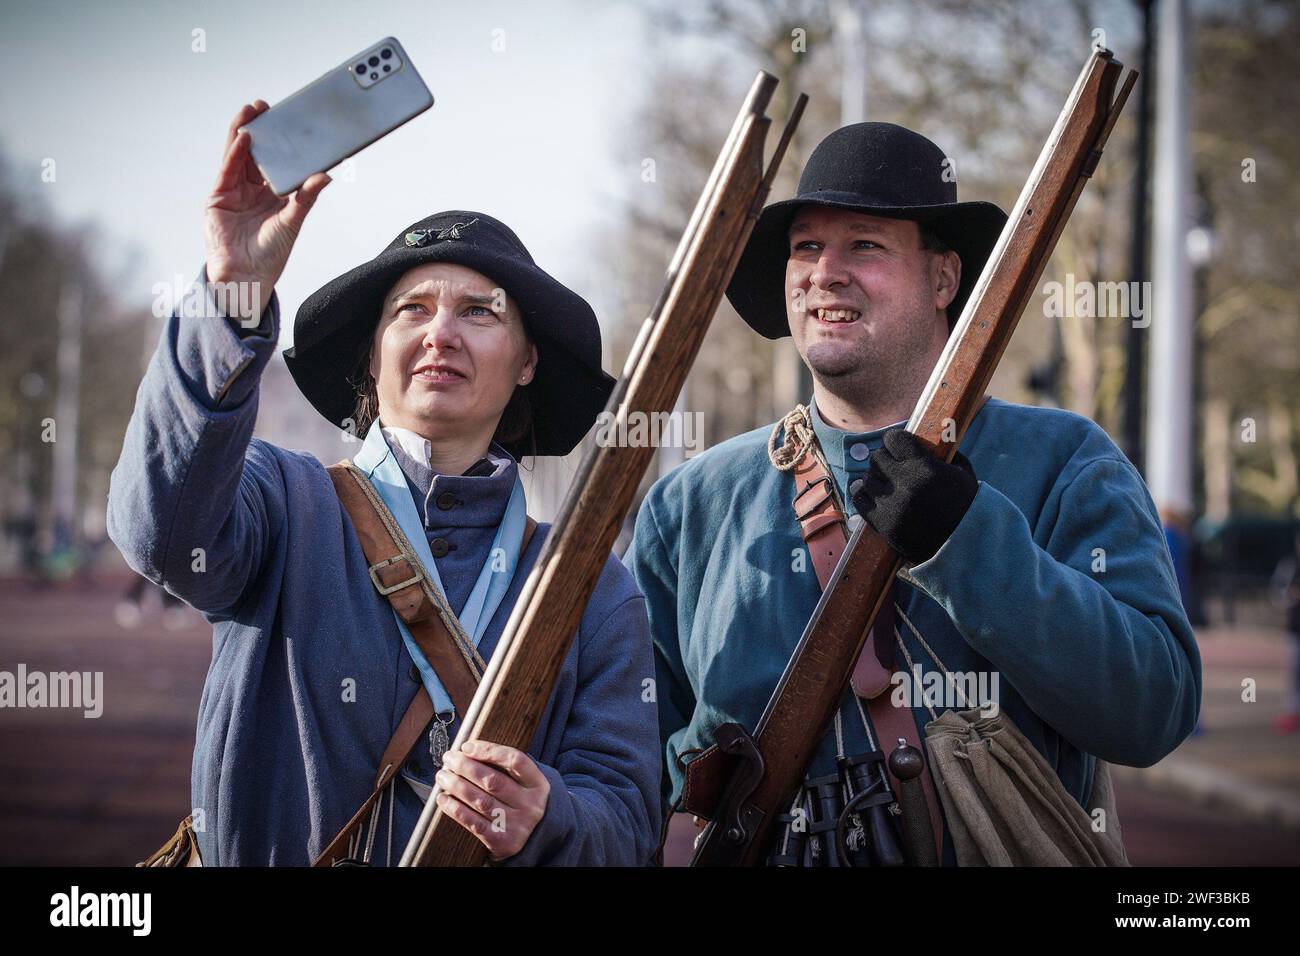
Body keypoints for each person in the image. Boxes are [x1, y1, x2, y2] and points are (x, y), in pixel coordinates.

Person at [628, 122, 1202, 865]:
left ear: (942, 279)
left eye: (864, 244)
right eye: (806, 247)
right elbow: (628, 765)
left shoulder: (1064, 459)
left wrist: (971, 543)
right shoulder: (690, 505)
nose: (824, 272)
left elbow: (1153, 710)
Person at [108, 101, 660, 866]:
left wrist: (549, 818)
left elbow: (629, 830)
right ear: (374, 353)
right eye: (412, 310)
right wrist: (230, 294)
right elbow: (160, 535)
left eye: (480, 312)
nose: (441, 332)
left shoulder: (595, 590)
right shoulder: (280, 500)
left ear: (528, 362)